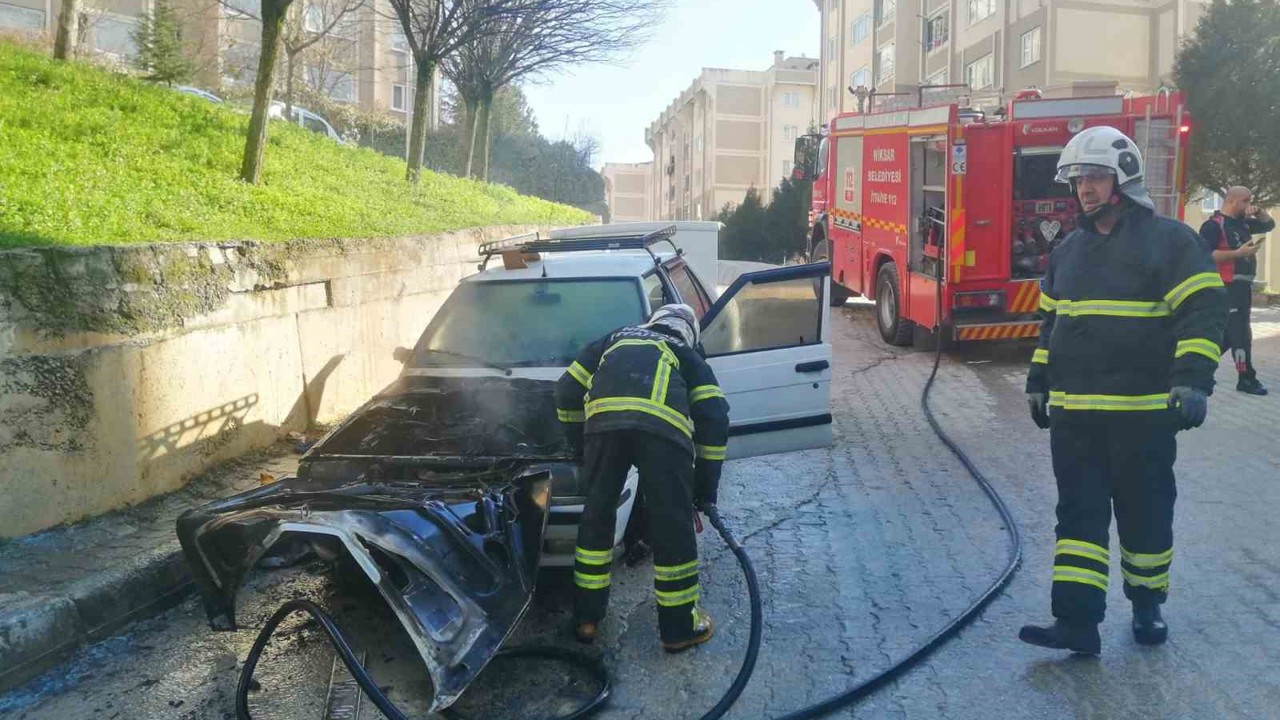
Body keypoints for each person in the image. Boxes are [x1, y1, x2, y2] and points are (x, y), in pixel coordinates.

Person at [1021, 126, 1228, 655]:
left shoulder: (1171, 242)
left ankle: (1147, 604)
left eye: (1094, 177)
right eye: (1078, 179)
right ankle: (1077, 624)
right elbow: (1052, 325)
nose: (1084, 189)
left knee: (1145, 513)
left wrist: (1192, 382)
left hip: (1143, 417)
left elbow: (1204, 315)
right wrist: (1038, 382)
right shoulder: (1069, 250)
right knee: (1078, 520)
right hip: (1076, 418)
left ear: (1123, 180)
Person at [555, 304, 730, 653]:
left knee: (596, 519)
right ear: (689, 333)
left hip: (604, 430)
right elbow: (714, 415)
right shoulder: (683, 352)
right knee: (671, 526)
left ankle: (586, 619)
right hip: (663, 437)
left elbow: (565, 390)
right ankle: (679, 627)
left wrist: (580, 445)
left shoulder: (614, 338)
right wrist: (704, 489)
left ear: (652, 322)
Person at [1199, 186, 1275, 396]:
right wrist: (1238, 253)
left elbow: (1269, 224)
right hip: (1226, 286)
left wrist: (1258, 211)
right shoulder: (1213, 226)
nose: (1248, 204)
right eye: (1245, 201)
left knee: (1227, 335)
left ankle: (1198, 370)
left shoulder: (1242, 223)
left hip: (1242, 287)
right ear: (1232, 201)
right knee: (1240, 334)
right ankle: (1246, 378)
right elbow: (1205, 255)